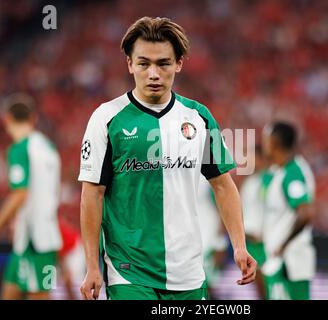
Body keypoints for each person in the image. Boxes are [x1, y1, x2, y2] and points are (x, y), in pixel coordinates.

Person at [78, 16, 257, 300]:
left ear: (179, 64)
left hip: (189, 273)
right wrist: (91, 266)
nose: (153, 73)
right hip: (129, 273)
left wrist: (239, 245)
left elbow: (223, 185)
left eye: (163, 63)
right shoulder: (106, 118)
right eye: (143, 63)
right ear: (129, 65)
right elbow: (92, 194)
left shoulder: (199, 117)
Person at [0, 94, 62, 300]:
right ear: (34, 118)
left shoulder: (19, 149)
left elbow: (20, 194)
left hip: (35, 241)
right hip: (38, 238)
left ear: (6, 119)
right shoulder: (49, 148)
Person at [261, 121, 316, 300]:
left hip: (289, 261)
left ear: (274, 143)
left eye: (266, 139)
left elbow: (305, 213)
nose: (263, 144)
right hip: (280, 259)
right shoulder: (279, 171)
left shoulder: (292, 173)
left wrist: (283, 245)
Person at [240, 145, 271, 299]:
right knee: (260, 290)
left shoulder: (270, 180)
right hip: (251, 242)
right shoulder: (249, 183)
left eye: (252, 157)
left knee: (271, 288)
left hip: (266, 243)